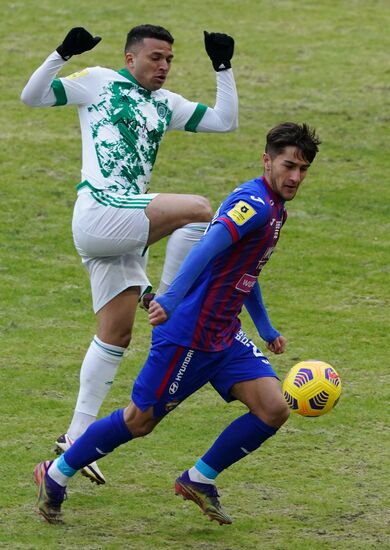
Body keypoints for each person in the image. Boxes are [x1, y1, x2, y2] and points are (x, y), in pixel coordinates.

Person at [33, 122, 321, 525]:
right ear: (267, 161)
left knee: (273, 408)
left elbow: (244, 270)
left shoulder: (276, 210)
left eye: (303, 169)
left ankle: (199, 479)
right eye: (288, 165)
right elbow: (207, 246)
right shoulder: (253, 204)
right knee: (140, 420)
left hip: (224, 335)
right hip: (188, 336)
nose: (295, 177)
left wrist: (266, 328)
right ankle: (56, 473)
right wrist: (169, 298)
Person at [21, 25, 238, 484]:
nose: (163, 67)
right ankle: (168, 298)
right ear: (130, 57)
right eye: (156, 58)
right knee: (200, 210)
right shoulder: (98, 80)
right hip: (101, 210)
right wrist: (60, 53)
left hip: (121, 227)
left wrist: (223, 67)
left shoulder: (166, 104)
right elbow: (32, 97)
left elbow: (225, 120)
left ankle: (75, 440)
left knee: (116, 335)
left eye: (170, 60)